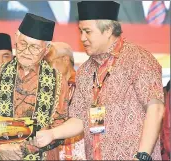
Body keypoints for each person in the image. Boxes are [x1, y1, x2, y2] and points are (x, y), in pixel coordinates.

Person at [0, 13, 84, 160]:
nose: (26, 52)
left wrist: (23, 149)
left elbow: (60, 127)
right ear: (16, 38)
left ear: (46, 50)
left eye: (34, 47)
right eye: (23, 44)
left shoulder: (58, 81)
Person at [68, 1, 165, 160]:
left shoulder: (138, 59)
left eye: (87, 32)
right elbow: (79, 119)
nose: (82, 38)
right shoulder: (85, 71)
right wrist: (50, 134)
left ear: (108, 30)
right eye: (80, 31)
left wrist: (142, 156)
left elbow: (156, 109)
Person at [44, 42, 86, 160]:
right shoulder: (45, 90)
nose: (45, 68)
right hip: (53, 149)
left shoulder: (85, 85)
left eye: (48, 62)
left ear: (65, 60)